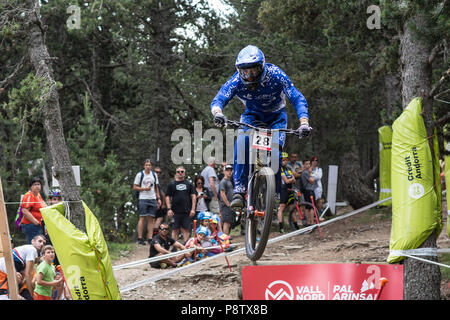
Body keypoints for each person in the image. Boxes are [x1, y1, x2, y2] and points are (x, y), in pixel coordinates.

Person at [211, 45, 311, 208]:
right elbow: (220, 98)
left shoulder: (276, 75)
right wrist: (218, 114)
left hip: (276, 118)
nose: (249, 76)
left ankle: (276, 194)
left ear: (262, 67)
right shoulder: (236, 80)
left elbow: (297, 97)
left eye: (253, 71)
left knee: (276, 154)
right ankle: (240, 190)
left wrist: (304, 122)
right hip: (252, 117)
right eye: (245, 71)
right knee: (242, 143)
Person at [0, 234, 46, 300]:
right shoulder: (32, 249)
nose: (42, 244)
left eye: (44, 243)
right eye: (40, 241)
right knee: (16, 281)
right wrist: (31, 293)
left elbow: (25, 275)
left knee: (17, 283)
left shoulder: (29, 251)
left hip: (5, 266)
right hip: (6, 263)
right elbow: (28, 274)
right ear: (32, 241)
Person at [133, 159, 162, 245]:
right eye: (146, 165)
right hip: (143, 198)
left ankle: (150, 238)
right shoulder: (140, 175)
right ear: (144, 166)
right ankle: (140, 238)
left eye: (149, 165)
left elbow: (156, 187)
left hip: (152, 198)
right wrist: (144, 189)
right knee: (142, 218)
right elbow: (135, 187)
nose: (148, 167)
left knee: (151, 219)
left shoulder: (154, 175)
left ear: (151, 166)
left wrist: (158, 198)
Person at [165, 166, 196, 242]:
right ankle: (174, 248)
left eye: (182, 171)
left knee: (186, 230)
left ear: (184, 173)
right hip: (175, 211)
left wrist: (193, 209)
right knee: (175, 229)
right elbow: (167, 196)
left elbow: (193, 196)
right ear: (176, 173)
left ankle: (186, 248)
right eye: (178, 172)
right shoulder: (171, 184)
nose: (180, 173)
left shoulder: (189, 184)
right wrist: (169, 209)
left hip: (186, 211)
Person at [21, 177, 46, 244]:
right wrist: (36, 222)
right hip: (31, 225)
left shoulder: (38, 195)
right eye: (35, 184)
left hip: (38, 225)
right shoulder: (29, 195)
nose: (37, 186)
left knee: (39, 245)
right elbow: (25, 211)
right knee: (34, 245)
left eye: (38, 184)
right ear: (31, 187)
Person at [277, 152, 298, 233]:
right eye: (283, 160)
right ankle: (281, 227)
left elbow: (294, 180)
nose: (284, 161)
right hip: (283, 190)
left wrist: (292, 180)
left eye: (286, 159)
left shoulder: (288, 168)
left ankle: (296, 226)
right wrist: (291, 180)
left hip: (290, 190)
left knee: (292, 208)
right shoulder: (280, 169)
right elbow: (286, 181)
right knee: (281, 207)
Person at [219, 164, 235, 235]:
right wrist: (228, 204)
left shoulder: (229, 181)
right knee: (226, 223)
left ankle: (226, 240)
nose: (229, 172)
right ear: (224, 172)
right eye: (227, 170)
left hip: (230, 205)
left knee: (228, 223)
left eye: (230, 170)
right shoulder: (223, 181)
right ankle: (225, 241)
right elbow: (222, 193)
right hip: (226, 206)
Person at [301, 159, 316, 226]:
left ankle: (309, 221)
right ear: (303, 165)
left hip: (310, 190)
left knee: (308, 207)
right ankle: (311, 222)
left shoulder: (305, 172)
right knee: (311, 207)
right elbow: (312, 181)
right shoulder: (306, 172)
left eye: (309, 164)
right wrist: (310, 173)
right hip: (309, 190)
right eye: (306, 164)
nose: (308, 165)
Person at [153, 166, 167, 235]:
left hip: (159, 203)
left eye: (159, 172)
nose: (158, 174)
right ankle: (154, 234)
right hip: (154, 203)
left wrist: (163, 203)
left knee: (158, 218)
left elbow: (162, 194)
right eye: (156, 172)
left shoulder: (158, 183)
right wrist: (156, 202)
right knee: (156, 218)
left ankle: (153, 234)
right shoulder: (151, 181)